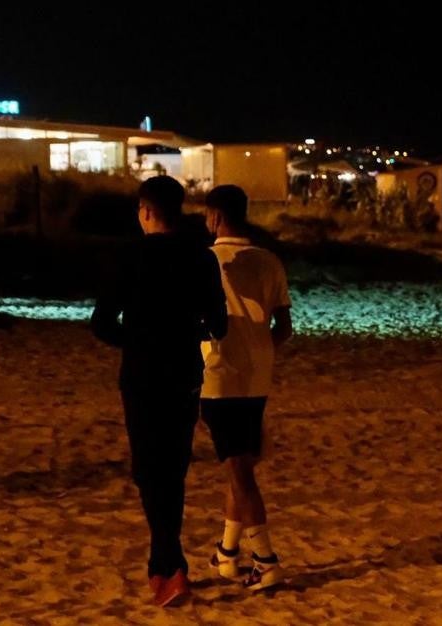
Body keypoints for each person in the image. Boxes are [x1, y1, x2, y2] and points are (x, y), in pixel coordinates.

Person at [90, 176, 227, 607]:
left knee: (149, 471)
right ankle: (165, 564)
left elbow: (101, 322)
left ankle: (169, 565)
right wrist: (190, 330)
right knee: (173, 468)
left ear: (146, 211)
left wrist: (136, 338)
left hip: (142, 373)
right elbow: (219, 324)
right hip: (185, 372)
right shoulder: (201, 259)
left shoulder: (128, 256)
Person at [200, 185, 293, 592]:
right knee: (238, 466)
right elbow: (284, 326)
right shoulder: (269, 260)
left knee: (239, 472)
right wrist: (259, 349)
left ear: (215, 217)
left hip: (218, 375)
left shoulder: (206, 262)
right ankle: (226, 551)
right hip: (258, 377)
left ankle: (266, 559)